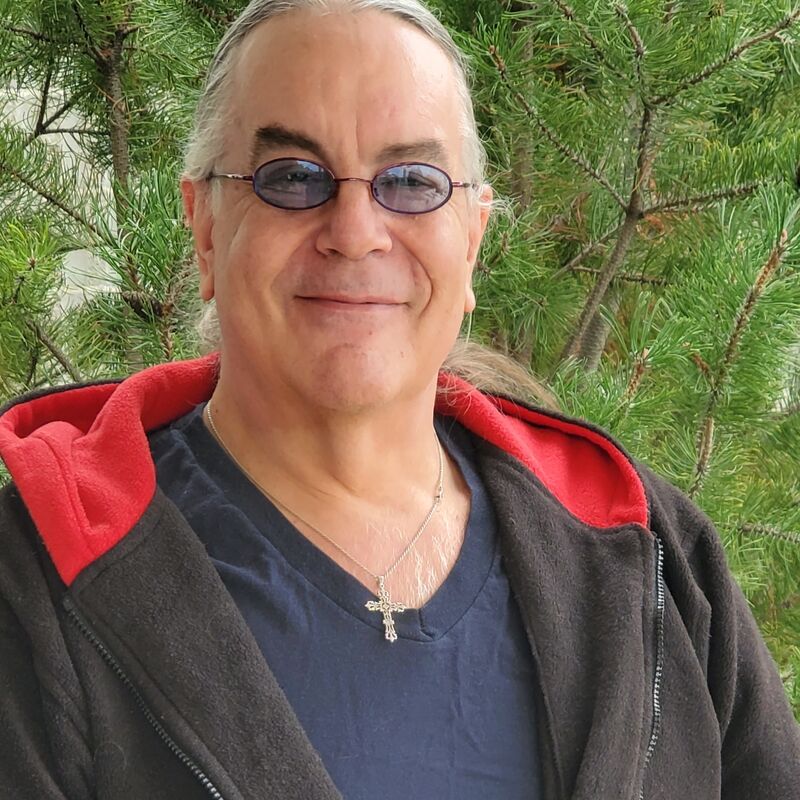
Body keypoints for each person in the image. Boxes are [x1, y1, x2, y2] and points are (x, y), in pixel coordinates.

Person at [1, 0, 798, 797]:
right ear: (205, 227)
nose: (355, 232)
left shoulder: (650, 556)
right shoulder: (35, 590)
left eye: (412, 182)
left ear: (472, 238)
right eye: (293, 177)